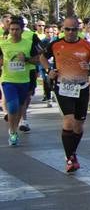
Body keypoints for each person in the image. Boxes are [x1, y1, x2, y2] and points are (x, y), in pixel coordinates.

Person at [48, 15, 90, 172]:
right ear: (62, 29)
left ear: (79, 29)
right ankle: (70, 158)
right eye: (67, 29)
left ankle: (72, 153)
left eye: (74, 29)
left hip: (82, 88)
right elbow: (42, 57)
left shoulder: (87, 45)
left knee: (78, 126)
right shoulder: (56, 44)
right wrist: (49, 71)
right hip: (63, 87)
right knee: (69, 121)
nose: (70, 32)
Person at [1, 16, 48, 146]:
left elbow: (39, 58)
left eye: (17, 29)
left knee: (21, 106)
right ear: (9, 30)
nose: (14, 32)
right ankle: (12, 132)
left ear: (22, 30)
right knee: (12, 106)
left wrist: (26, 59)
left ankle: (16, 127)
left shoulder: (29, 42)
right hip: (8, 80)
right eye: (11, 29)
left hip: (24, 80)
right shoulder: (3, 43)